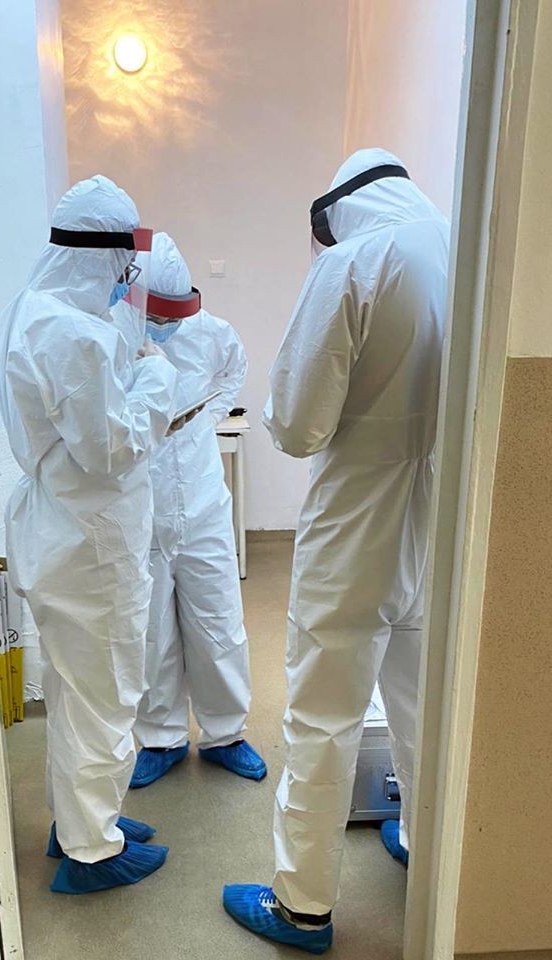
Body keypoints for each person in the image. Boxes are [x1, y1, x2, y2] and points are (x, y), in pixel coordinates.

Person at [223, 148, 449, 953]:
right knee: (426, 700)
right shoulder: (463, 247)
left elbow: (296, 425)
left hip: (357, 517)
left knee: (323, 712)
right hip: (442, 513)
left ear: (340, 209)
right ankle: (426, 843)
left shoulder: (352, 263)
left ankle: (302, 906)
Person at [0, 176, 179, 895]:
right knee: (105, 693)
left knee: (76, 692)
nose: (127, 280)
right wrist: (158, 376)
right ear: (104, 257)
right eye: (125, 264)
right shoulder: (73, 332)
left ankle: (76, 821)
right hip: (90, 541)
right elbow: (112, 447)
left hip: (63, 528)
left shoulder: (25, 310)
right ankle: (93, 851)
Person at [129, 231, 266, 787]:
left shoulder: (212, 332)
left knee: (218, 620)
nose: (165, 324)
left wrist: (205, 418)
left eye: (174, 314)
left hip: (203, 494)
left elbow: (235, 370)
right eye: (156, 315)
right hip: (141, 499)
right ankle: (159, 738)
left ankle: (225, 734)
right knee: (150, 629)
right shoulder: (116, 335)